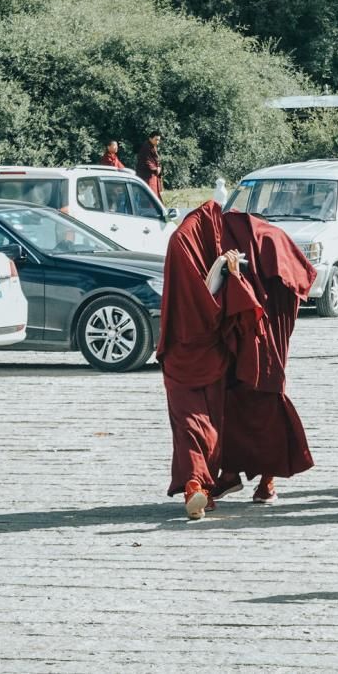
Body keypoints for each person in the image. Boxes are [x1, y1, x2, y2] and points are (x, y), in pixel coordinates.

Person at [156, 203, 261, 519]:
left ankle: (197, 486)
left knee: (189, 425)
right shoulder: (190, 247)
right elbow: (212, 307)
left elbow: (185, 304)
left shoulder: (180, 245)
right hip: (210, 353)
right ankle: (199, 486)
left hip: (179, 354)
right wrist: (232, 276)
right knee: (208, 425)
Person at [212, 209, 319, 505]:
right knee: (234, 402)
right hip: (247, 338)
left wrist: (236, 277)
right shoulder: (276, 243)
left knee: (266, 403)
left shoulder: (269, 243)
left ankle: (267, 479)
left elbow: (256, 303)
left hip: (265, 337)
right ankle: (231, 473)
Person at [135, 132, 163, 198]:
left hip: (152, 175)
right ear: (150, 138)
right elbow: (146, 161)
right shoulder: (146, 147)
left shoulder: (152, 146)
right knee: (149, 196)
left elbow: (156, 160)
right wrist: (156, 169)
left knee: (154, 196)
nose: (158, 142)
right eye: (156, 139)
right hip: (146, 176)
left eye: (159, 140)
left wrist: (158, 167)